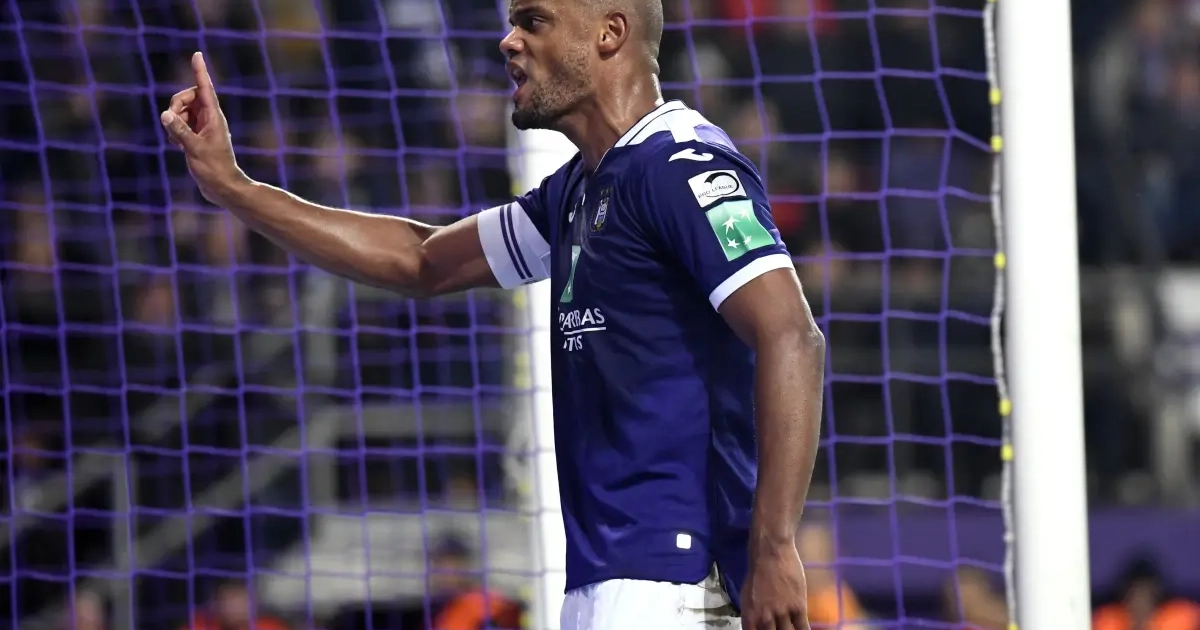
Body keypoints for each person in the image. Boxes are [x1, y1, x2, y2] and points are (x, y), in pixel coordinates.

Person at [158, 0, 826, 627]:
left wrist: (773, 547)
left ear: (610, 33)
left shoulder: (681, 165)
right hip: (614, 578)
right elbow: (421, 260)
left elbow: (792, 334)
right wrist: (235, 188)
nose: (509, 42)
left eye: (534, 21)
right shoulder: (579, 189)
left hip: (673, 576)